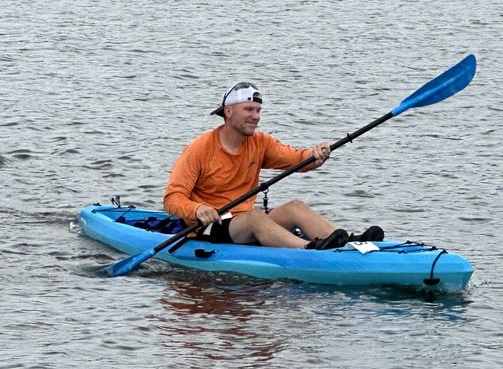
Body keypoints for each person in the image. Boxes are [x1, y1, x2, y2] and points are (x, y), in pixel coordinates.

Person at [163, 81, 384, 251]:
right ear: (228, 112)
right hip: (208, 227)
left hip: (243, 221)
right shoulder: (199, 148)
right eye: (249, 110)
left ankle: (349, 244)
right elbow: (172, 198)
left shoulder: (261, 142)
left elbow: (296, 159)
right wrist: (198, 209)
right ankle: (307, 250)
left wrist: (315, 155)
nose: (255, 116)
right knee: (255, 216)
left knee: (294, 206)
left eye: (258, 110)